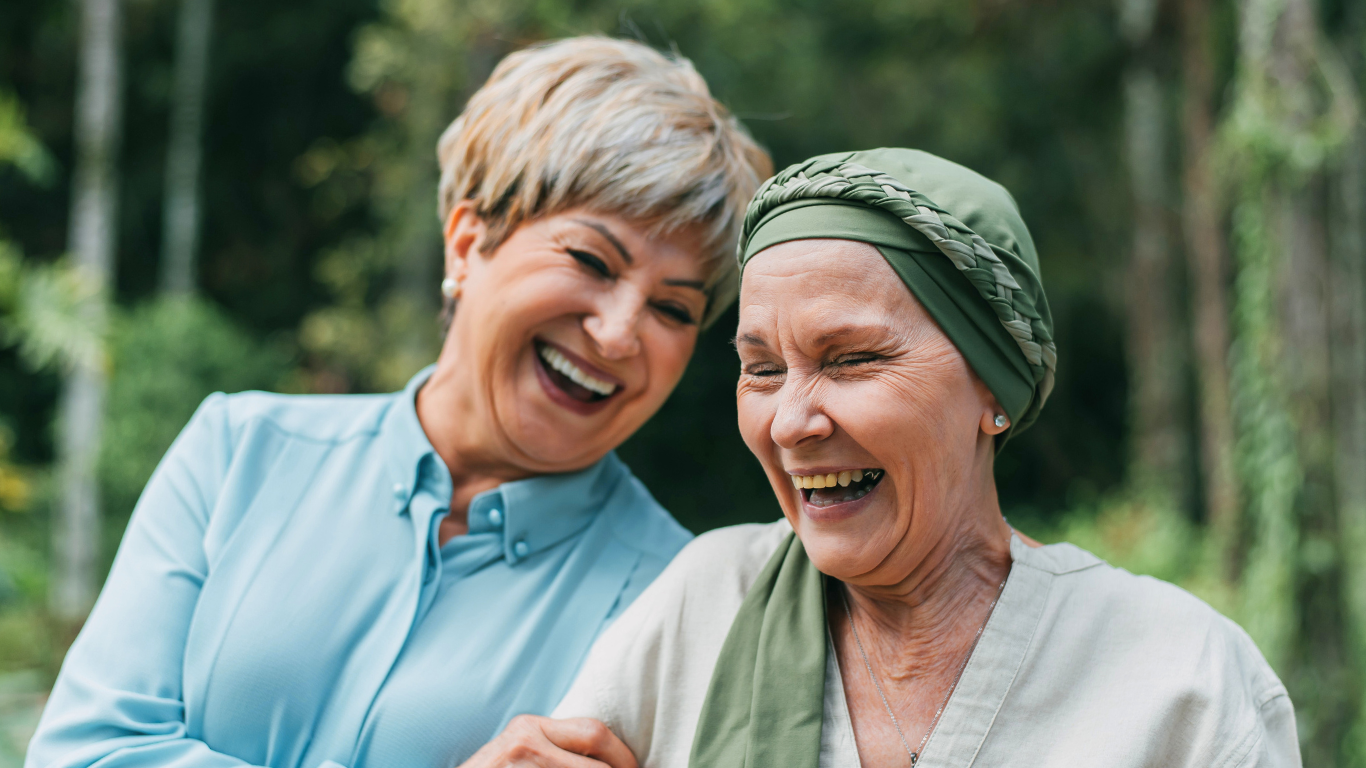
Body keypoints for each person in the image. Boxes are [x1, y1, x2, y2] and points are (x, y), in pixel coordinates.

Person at [25, 37, 771, 768]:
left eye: (673, 309)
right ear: (466, 242)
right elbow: (82, 753)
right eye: (591, 260)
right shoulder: (238, 451)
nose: (618, 334)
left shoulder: (676, 600)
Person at [461, 149, 1301, 768]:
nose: (791, 423)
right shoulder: (703, 604)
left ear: (993, 386)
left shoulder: (1178, 678)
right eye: (762, 369)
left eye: (852, 360)